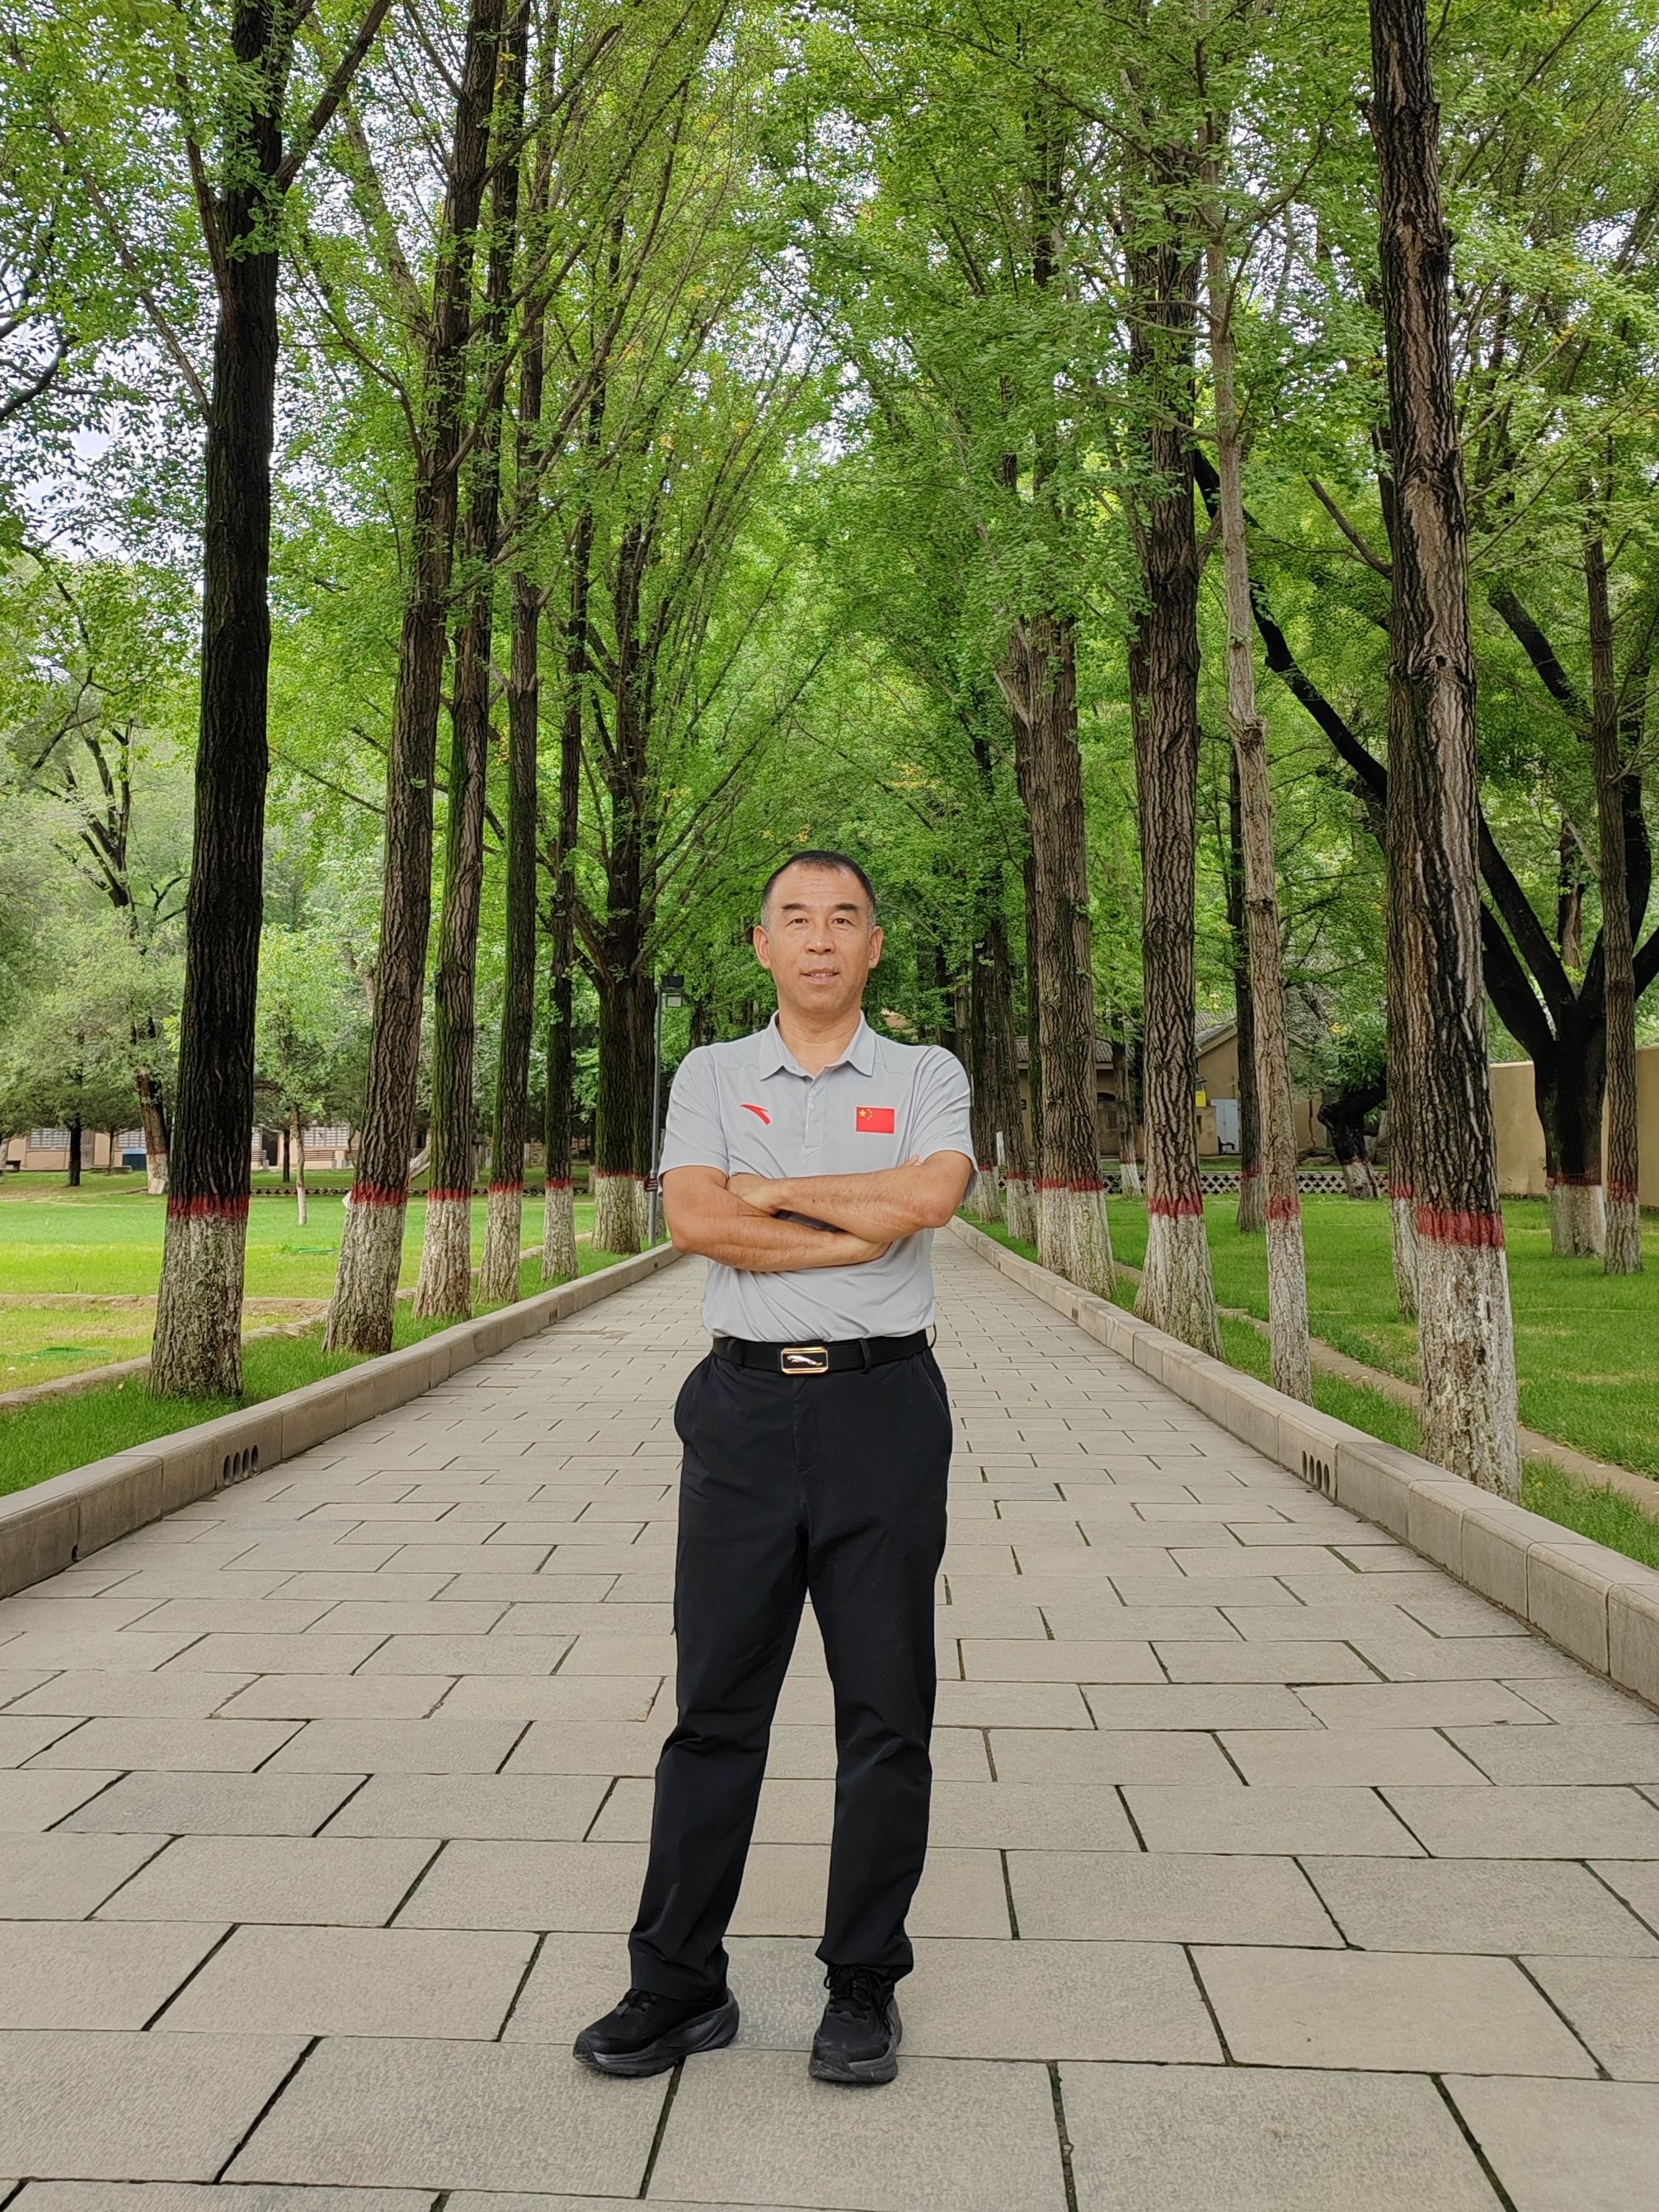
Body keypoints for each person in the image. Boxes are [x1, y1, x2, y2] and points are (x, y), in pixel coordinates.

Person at [574, 850, 974, 2088]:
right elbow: (697, 1219)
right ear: (763, 945)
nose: (819, 938)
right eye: (795, 919)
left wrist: (781, 1196)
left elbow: (932, 1198)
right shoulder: (710, 1073)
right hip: (742, 1413)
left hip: (884, 1412)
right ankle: (678, 1981)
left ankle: (862, 1982)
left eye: (843, 919)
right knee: (715, 1709)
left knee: (885, 1710)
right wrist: (854, 1228)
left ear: (873, 944)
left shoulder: (925, 1073)